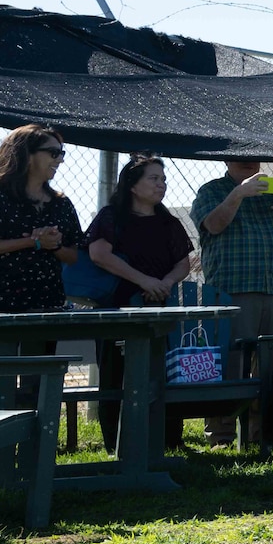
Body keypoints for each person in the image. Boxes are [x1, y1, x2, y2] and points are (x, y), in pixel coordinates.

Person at [192, 157, 273, 446]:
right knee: (230, 363)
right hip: (232, 290)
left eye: (254, 157)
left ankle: (264, 435)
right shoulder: (212, 190)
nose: (248, 162)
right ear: (225, 159)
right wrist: (238, 194)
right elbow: (213, 225)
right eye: (240, 157)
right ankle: (221, 436)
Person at [83, 155, 195, 445]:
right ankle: (117, 443)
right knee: (115, 375)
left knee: (163, 372)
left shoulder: (168, 222)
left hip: (159, 307)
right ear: (132, 185)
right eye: (154, 178)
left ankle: (167, 440)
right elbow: (99, 254)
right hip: (116, 310)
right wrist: (143, 280)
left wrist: (165, 282)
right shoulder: (111, 217)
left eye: (164, 179)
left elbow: (183, 263)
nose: (162, 185)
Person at [0, 126, 82, 318]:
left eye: (61, 153)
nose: (60, 160)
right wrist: (33, 242)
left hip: (49, 302)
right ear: (27, 154)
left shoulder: (61, 203)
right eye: (53, 153)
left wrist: (54, 245)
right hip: (2, 302)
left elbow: (74, 256)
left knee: (42, 348)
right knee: (3, 349)